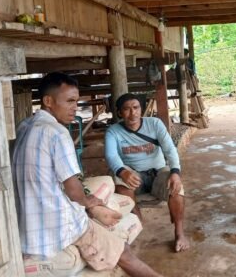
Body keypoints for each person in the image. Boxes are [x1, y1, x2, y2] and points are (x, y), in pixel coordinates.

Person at [12, 72, 161, 277]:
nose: (75, 107)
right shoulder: (56, 133)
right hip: (60, 229)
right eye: (70, 101)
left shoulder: (23, 127)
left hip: (27, 230)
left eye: (76, 101)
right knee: (122, 251)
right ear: (48, 101)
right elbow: (74, 191)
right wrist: (90, 203)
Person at [105, 93, 190, 252]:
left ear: (141, 109)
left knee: (176, 188)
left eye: (136, 108)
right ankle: (138, 220)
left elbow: (170, 149)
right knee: (118, 181)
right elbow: (111, 156)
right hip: (134, 175)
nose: (133, 113)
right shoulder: (113, 131)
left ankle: (179, 233)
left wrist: (175, 172)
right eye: (127, 109)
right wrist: (122, 171)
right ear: (119, 113)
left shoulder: (154, 124)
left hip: (158, 172)